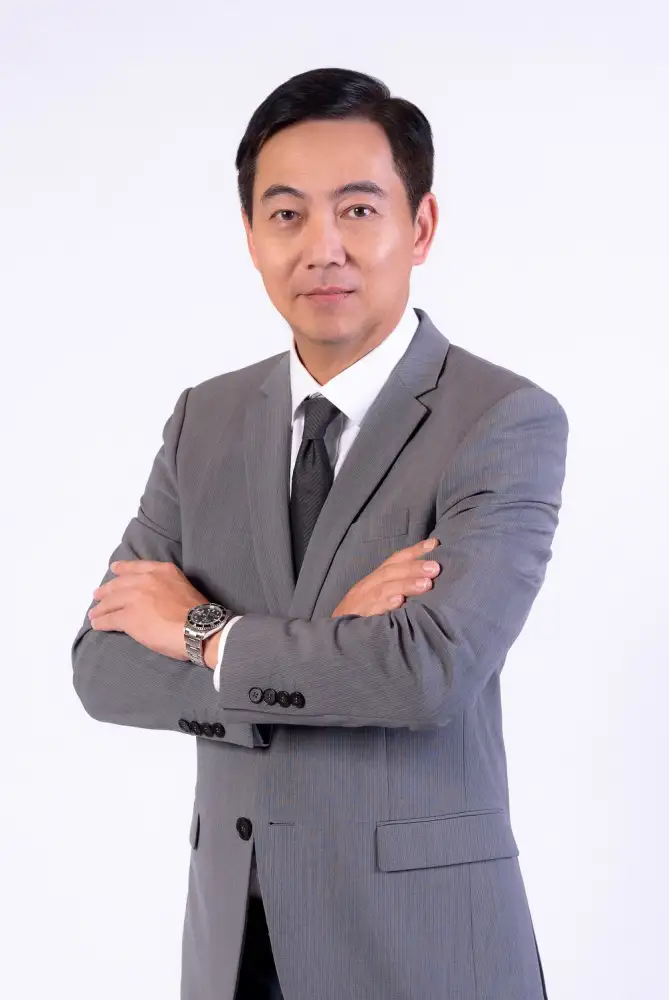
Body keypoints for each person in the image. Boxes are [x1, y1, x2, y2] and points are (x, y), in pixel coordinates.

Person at [71, 66, 567, 1000]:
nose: (321, 248)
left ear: (420, 226)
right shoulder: (205, 419)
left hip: (420, 946)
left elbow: (424, 674)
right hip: (235, 947)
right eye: (287, 214)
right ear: (251, 235)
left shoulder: (501, 420)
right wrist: (333, 643)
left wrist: (205, 633)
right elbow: (102, 668)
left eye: (358, 210)